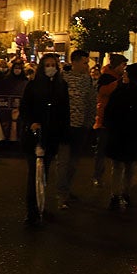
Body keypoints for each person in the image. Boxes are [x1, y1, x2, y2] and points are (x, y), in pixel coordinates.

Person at [19, 52, 70, 226]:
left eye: (53, 65)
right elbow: (24, 109)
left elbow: (65, 112)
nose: (50, 68)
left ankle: (41, 204)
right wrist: (32, 122)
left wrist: (63, 133)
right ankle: (31, 210)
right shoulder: (32, 86)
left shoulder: (61, 86)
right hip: (34, 136)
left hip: (52, 136)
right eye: (47, 65)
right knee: (34, 173)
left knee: (44, 174)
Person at [103, 61, 137, 210]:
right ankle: (124, 192)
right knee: (127, 166)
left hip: (121, 134)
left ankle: (116, 193)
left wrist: (110, 126)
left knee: (118, 166)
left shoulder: (121, 92)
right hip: (130, 134)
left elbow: (109, 112)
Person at [56, 50, 96, 208]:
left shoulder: (87, 80)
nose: (87, 66)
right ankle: (61, 195)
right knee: (63, 161)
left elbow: (91, 101)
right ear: (75, 62)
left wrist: (90, 122)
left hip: (81, 127)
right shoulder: (63, 79)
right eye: (85, 62)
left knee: (73, 162)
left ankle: (67, 189)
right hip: (66, 127)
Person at [92, 53, 127, 187]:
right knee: (101, 150)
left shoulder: (120, 78)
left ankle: (115, 177)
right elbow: (102, 91)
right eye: (122, 65)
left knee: (115, 150)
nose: (124, 68)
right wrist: (118, 83)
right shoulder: (106, 77)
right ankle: (97, 175)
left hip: (117, 119)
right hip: (105, 118)